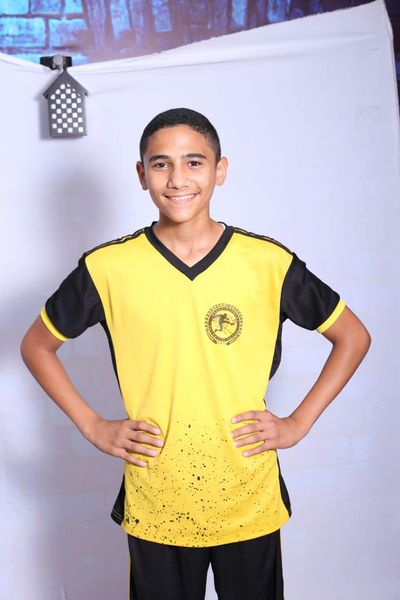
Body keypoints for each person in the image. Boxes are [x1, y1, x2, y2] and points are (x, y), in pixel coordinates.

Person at [21, 107, 371, 600]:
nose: (178, 178)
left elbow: (353, 337)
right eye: (161, 164)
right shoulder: (108, 268)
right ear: (141, 174)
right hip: (157, 495)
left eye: (194, 162)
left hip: (247, 494)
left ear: (219, 170)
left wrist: (298, 423)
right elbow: (37, 345)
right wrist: (93, 425)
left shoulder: (267, 263)